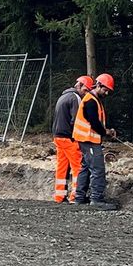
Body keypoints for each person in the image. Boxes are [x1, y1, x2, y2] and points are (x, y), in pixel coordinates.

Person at [73, 73, 118, 210]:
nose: (107, 93)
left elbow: (95, 122)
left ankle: (79, 198)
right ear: (98, 85)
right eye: (105, 90)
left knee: (85, 168)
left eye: (108, 91)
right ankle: (97, 199)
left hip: (86, 140)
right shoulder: (91, 101)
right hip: (89, 140)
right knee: (97, 169)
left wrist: (105, 131)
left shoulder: (93, 99)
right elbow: (94, 123)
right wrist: (106, 132)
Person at [51, 75, 94, 203]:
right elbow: (77, 120)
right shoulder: (75, 98)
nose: (86, 94)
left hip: (58, 137)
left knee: (62, 167)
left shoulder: (63, 96)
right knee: (77, 168)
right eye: (86, 90)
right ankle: (75, 196)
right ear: (80, 86)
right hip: (69, 139)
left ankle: (59, 196)